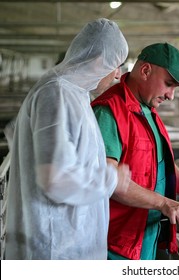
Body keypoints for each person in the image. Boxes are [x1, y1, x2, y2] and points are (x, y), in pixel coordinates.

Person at [4, 18, 131, 260]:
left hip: (71, 239)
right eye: (116, 65)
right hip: (55, 245)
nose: (117, 75)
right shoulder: (56, 93)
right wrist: (110, 178)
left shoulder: (75, 93)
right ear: (98, 60)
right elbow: (54, 178)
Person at [91, 42, 179, 260]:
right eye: (169, 84)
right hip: (116, 242)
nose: (171, 95)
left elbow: (160, 164)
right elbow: (108, 180)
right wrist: (164, 203)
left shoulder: (148, 111)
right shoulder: (109, 112)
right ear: (145, 71)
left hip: (146, 235)